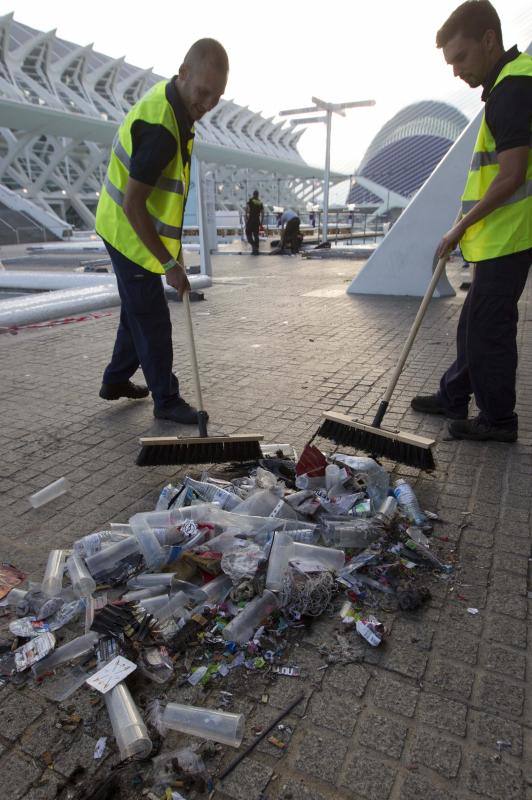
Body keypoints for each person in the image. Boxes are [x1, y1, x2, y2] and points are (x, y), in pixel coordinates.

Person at [411, 0, 531, 443]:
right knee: (472, 323)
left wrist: (460, 226)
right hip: (500, 235)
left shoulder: (513, 88)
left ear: (489, 40)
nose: (456, 71)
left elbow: (512, 174)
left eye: (460, 57)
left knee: (489, 329)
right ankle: (453, 394)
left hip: (511, 235)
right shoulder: (508, 82)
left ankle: (499, 420)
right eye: (450, 62)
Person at [95, 39, 228, 424]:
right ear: (183, 73)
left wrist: (171, 253)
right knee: (151, 316)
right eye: (203, 93)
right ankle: (167, 401)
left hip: (129, 226)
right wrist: (170, 264)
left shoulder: (176, 106)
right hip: (126, 231)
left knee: (136, 308)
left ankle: (116, 379)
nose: (207, 104)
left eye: (216, 97)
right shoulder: (161, 129)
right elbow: (133, 205)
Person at [245, 190, 264, 255]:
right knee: (256, 235)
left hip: (251, 220)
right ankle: (256, 249)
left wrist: (246, 219)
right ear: (258, 195)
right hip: (257, 220)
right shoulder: (260, 203)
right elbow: (263, 213)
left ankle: (254, 247)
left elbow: (247, 210)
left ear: (253, 194)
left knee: (248, 233)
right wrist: (261, 222)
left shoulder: (250, 201)